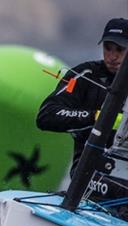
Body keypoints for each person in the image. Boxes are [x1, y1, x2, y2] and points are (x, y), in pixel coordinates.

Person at [36, 17, 127, 174]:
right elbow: (46, 114)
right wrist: (97, 117)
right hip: (88, 174)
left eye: (119, 49)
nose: (112, 56)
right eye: (108, 48)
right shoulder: (85, 75)